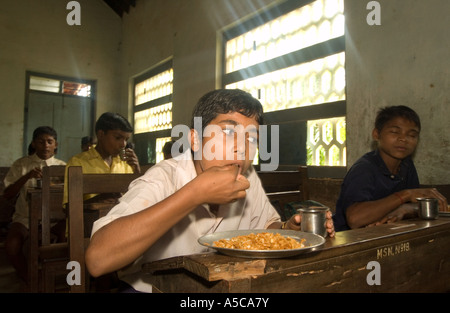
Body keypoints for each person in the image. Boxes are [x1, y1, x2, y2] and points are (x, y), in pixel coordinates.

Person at [85, 89, 335, 293]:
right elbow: (98, 260)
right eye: (227, 132)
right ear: (194, 140)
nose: (241, 148)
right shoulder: (164, 177)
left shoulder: (247, 177)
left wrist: (288, 231)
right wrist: (194, 194)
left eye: (252, 139)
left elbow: (265, 227)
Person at [333, 105, 448, 232]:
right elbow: (355, 219)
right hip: (349, 241)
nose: (403, 139)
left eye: (412, 135)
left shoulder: (406, 165)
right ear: (377, 134)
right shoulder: (364, 169)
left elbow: (414, 206)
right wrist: (404, 196)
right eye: (394, 132)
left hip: (383, 236)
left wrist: (403, 209)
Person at [3, 126, 66, 283]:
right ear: (33, 144)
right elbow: (8, 194)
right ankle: (30, 278)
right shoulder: (21, 164)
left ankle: (66, 278)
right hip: (25, 218)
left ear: (56, 144)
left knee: (70, 238)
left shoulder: (62, 166)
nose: (45, 146)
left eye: (49, 142)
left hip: (55, 219)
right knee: (11, 245)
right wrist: (27, 176)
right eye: (41, 141)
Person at [63, 112, 141, 206]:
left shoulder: (125, 164)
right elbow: (68, 207)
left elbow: (138, 199)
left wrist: (136, 171)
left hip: (119, 218)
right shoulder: (78, 162)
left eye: (126, 139)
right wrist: (97, 200)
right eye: (118, 138)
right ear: (101, 134)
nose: (123, 144)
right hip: (89, 220)